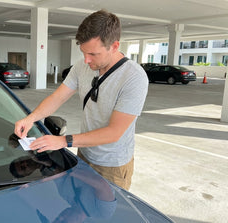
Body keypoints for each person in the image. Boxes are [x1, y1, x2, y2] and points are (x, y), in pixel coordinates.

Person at [14, 9, 148, 190]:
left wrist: (62, 141)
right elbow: (57, 97)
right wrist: (31, 118)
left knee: (105, 216)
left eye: (93, 54)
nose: (86, 60)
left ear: (114, 46)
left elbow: (114, 132)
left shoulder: (134, 77)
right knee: (80, 204)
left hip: (112, 164)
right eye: (83, 52)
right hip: (84, 154)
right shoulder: (81, 66)